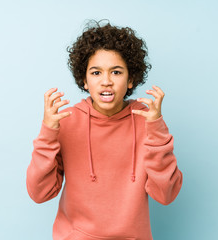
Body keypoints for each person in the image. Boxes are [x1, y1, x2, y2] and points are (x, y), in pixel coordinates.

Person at [26, 20, 183, 240]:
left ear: (131, 79)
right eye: (96, 73)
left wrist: (157, 131)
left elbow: (166, 194)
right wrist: (48, 133)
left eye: (116, 72)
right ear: (84, 80)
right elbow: (39, 193)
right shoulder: (67, 121)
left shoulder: (146, 121)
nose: (106, 81)